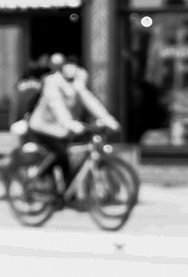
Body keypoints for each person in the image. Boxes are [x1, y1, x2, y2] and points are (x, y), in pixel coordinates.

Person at [18, 54, 118, 198]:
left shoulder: (77, 82)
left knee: (72, 158)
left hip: (62, 130)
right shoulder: (52, 82)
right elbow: (56, 105)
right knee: (61, 154)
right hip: (42, 127)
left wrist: (107, 119)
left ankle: (67, 194)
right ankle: (38, 177)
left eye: (74, 67)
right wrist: (70, 124)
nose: (71, 70)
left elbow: (89, 100)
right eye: (68, 66)